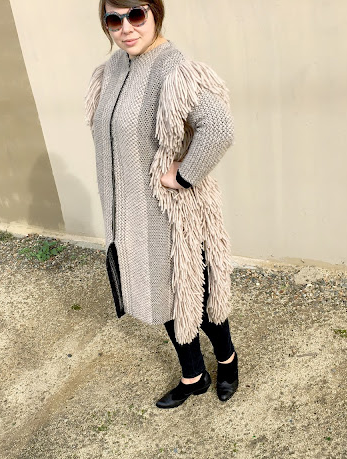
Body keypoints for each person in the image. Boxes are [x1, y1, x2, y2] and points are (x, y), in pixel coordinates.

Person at [85, 0, 238, 409]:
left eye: (136, 15)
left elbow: (219, 127)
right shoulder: (112, 70)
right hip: (131, 214)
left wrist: (183, 174)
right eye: (114, 19)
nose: (126, 28)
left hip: (172, 215)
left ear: (155, 13)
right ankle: (194, 376)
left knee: (197, 297)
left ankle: (228, 361)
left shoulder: (174, 69)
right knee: (165, 299)